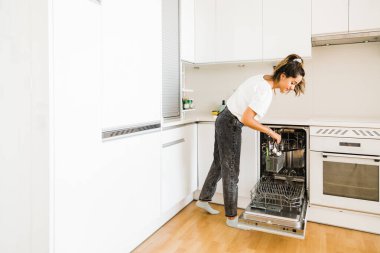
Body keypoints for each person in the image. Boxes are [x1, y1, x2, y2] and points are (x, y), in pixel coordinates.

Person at [196, 54, 306, 228]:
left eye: (296, 85)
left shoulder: (262, 78)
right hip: (231, 123)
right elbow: (247, 119)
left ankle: (203, 198)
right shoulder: (266, 92)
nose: (293, 87)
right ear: (283, 76)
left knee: (219, 163)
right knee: (231, 172)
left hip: (223, 117)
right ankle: (231, 218)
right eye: (293, 82)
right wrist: (271, 133)